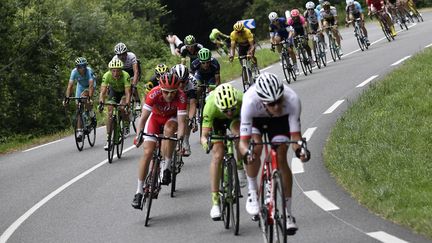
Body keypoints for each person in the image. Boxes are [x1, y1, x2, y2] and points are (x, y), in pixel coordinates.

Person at [239, 72, 310, 234]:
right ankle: (252, 191)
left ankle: (288, 213)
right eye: (272, 104)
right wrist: (247, 153)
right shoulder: (250, 101)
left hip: (280, 121)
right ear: (263, 102)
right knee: (255, 148)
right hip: (257, 120)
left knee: (280, 155)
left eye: (279, 101)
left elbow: (295, 138)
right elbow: (243, 142)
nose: (276, 106)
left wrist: (301, 151)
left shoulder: (292, 100)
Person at [131, 72, 187, 209]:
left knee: (169, 130)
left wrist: (180, 138)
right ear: (160, 89)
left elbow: (181, 122)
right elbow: (143, 119)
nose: (169, 96)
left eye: (172, 92)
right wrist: (139, 135)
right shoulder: (153, 93)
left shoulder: (181, 96)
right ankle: (138, 192)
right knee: (148, 152)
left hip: (171, 120)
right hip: (155, 119)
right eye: (166, 92)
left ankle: (166, 166)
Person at [200, 84, 248, 220]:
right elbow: (204, 136)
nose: (229, 113)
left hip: (236, 120)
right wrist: (206, 144)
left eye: (231, 109)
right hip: (217, 121)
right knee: (218, 155)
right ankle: (215, 202)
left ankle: (239, 168)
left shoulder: (241, 99)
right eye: (225, 110)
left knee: (239, 135)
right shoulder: (210, 106)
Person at [98, 59, 131, 150]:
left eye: (118, 70)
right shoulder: (106, 75)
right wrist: (101, 101)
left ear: (121, 70)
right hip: (114, 92)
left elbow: (128, 92)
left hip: (123, 92)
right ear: (110, 70)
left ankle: (126, 122)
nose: (115, 73)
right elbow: (103, 91)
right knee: (109, 113)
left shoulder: (126, 75)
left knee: (122, 108)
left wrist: (127, 104)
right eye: (113, 70)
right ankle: (109, 139)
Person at [63, 57, 96, 141]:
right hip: (80, 86)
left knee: (85, 97)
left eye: (84, 66)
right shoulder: (73, 72)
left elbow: (91, 85)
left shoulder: (89, 71)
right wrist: (67, 98)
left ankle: (92, 115)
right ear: (77, 67)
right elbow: (70, 86)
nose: (82, 69)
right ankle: (80, 131)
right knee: (78, 107)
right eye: (80, 67)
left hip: (89, 86)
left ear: (86, 66)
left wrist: (89, 98)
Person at [171, 64, 198, 157]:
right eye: (179, 82)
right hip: (172, 98)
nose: (181, 85)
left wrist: (192, 119)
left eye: (184, 81)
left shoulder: (192, 82)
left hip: (186, 99)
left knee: (186, 117)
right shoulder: (169, 80)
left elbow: (193, 103)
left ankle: (185, 140)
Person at [112, 42, 141, 110]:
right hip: (122, 71)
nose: (121, 57)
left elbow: (136, 71)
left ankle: (137, 102)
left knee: (132, 85)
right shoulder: (115, 59)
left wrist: (134, 84)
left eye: (123, 54)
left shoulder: (131, 56)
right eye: (119, 55)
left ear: (126, 53)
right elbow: (113, 73)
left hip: (131, 71)